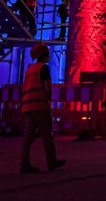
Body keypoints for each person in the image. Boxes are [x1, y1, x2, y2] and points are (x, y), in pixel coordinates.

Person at [19, 43, 65, 173]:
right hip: (40, 105)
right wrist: (48, 100)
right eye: (48, 54)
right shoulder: (43, 68)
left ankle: (24, 164)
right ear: (44, 55)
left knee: (28, 137)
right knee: (47, 135)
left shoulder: (30, 69)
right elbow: (47, 87)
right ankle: (52, 161)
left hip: (28, 106)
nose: (50, 56)